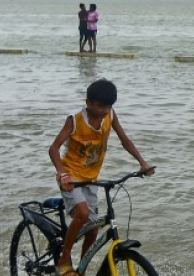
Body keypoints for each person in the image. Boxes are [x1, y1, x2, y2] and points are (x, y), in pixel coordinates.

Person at [48, 79, 153, 276]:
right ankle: (63, 260)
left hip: (91, 179)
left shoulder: (110, 116)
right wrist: (62, 174)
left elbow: (124, 139)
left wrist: (142, 163)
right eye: (100, 106)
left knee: (93, 229)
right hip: (71, 177)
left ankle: (81, 270)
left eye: (108, 106)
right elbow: (53, 148)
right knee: (82, 214)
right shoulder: (75, 120)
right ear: (88, 103)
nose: (105, 110)